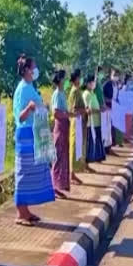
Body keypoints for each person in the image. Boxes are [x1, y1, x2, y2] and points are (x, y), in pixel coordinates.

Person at [12, 54, 55, 226]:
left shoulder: (31, 86)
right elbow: (19, 117)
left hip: (35, 134)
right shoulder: (22, 89)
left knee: (34, 172)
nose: (36, 69)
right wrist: (30, 108)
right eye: (34, 66)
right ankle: (20, 212)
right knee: (24, 173)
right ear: (27, 70)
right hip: (26, 135)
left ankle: (26, 210)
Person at [50, 70, 70, 198]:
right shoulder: (57, 94)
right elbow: (56, 113)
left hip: (65, 126)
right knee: (57, 155)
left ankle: (61, 184)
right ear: (61, 80)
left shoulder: (63, 93)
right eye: (64, 78)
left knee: (63, 155)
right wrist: (66, 115)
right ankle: (54, 186)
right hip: (60, 126)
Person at [68, 69, 86, 185]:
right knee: (74, 147)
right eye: (79, 78)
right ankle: (71, 174)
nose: (80, 79)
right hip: (75, 120)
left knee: (78, 146)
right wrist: (84, 110)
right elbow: (74, 109)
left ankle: (74, 172)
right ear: (76, 79)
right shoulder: (74, 91)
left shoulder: (78, 90)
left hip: (79, 120)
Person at [83, 74, 105, 164]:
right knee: (91, 141)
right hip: (90, 123)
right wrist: (98, 110)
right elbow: (87, 109)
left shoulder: (93, 94)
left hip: (97, 121)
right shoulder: (86, 94)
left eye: (94, 82)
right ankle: (90, 159)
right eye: (92, 82)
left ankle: (98, 157)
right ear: (88, 83)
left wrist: (101, 109)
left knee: (98, 139)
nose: (94, 84)